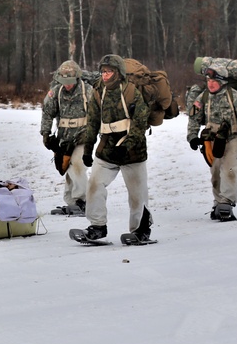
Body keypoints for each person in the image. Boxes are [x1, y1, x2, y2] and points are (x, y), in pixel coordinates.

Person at [81, 54, 153, 243]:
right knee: (94, 184)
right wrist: (88, 149)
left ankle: (141, 230)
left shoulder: (132, 92)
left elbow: (140, 124)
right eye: (103, 71)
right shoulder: (97, 92)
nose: (105, 75)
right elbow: (92, 122)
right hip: (107, 149)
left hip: (133, 151)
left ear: (118, 73)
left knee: (137, 194)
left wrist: (127, 146)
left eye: (109, 71)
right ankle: (97, 226)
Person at [186, 64, 237, 221]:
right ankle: (218, 203)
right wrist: (192, 136)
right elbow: (193, 118)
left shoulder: (234, 96)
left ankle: (227, 203)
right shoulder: (203, 98)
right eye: (208, 80)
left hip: (233, 138)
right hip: (212, 141)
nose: (210, 84)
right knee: (215, 174)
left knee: (229, 170)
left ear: (222, 82)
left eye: (214, 81)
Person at [40, 60, 89, 216]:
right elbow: (47, 112)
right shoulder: (56, 92)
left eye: (70, 82)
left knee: (78, 164)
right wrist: (46, 134)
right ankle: (71, 202)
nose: (67, 85)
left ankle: (83, 201)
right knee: (67, 167)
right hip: (64, 138)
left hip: (83, 136)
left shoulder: (88, 91)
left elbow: (97, 115)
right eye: (64, 82)